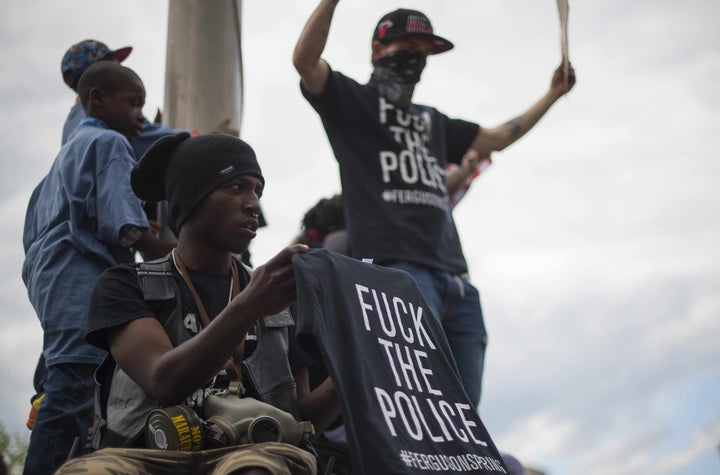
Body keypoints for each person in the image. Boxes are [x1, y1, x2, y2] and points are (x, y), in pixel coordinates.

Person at [293, 3, 576, 408]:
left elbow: (496, 138)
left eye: (423, 51)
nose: (415, 57)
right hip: (397, 273)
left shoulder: (434, 121)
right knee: (418, 405)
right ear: (378, 49)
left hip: (457, 281)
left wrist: (552, 94)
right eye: (407, 45)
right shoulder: (352, 102)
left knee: (462, 412)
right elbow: (305, 61)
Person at [55, 131, 339, 474]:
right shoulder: (127, 284)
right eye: (236, 187)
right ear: (190, 198)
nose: (253, 204)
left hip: (252, 454)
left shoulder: (278, 297)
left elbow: (299, 419)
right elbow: (164, 380)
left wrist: (351, 372)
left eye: (257, 191)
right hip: (146, 456)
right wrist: (246, 308)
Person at [21, 61, 175, 474]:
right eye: (134, 103)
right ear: (97, 99)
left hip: (51, 280)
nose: (140, 116)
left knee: (61, 378)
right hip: (83, 278)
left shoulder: (65, 154)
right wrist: (177, 262)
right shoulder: (110, 144)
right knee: (75, 386)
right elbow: (126, 227)